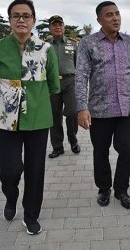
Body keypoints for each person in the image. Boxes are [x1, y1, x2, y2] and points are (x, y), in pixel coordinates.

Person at [0, 0, 60, 235]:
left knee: (36, 170)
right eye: (16, 15)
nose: (21, 19)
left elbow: (54, 85)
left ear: (34, 20)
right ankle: (11, 196)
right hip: (4, 116)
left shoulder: (46, 49)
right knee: (9, 169)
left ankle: (31, 213)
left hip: (37, 116)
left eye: (26, 15)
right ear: (10, 20)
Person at [76, 1, 130, 210]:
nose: (115, 18)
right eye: (109, 15)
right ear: (99, 20)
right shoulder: (88, 43)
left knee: (128, 149)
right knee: (100, 151)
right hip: (100, 110)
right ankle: (104, 188)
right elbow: (81, 76)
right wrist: (82, 107)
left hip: (126, 109)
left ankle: (122, 189)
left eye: (117, 13)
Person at [46, 15, 80, 158]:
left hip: (70, 81)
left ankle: (73, 140)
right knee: (54, 116)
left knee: (72, 113)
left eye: (60, 25)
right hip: (52, 83)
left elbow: (78, 63)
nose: (57, 27)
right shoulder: (45, 45)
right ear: (50, 28)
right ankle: (58, 147)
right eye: (54, 25)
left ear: (64, 27)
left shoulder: (73, 44)